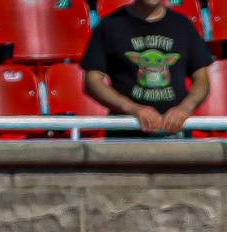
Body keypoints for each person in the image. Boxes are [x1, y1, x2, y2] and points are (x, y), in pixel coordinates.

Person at [81, 0, 213, 135]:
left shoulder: (183, 25)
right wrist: (133, 108)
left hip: (175, 134)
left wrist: (185, 108)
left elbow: (202, 79)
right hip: (126, 133)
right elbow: (93, 80)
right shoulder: (109, 26)